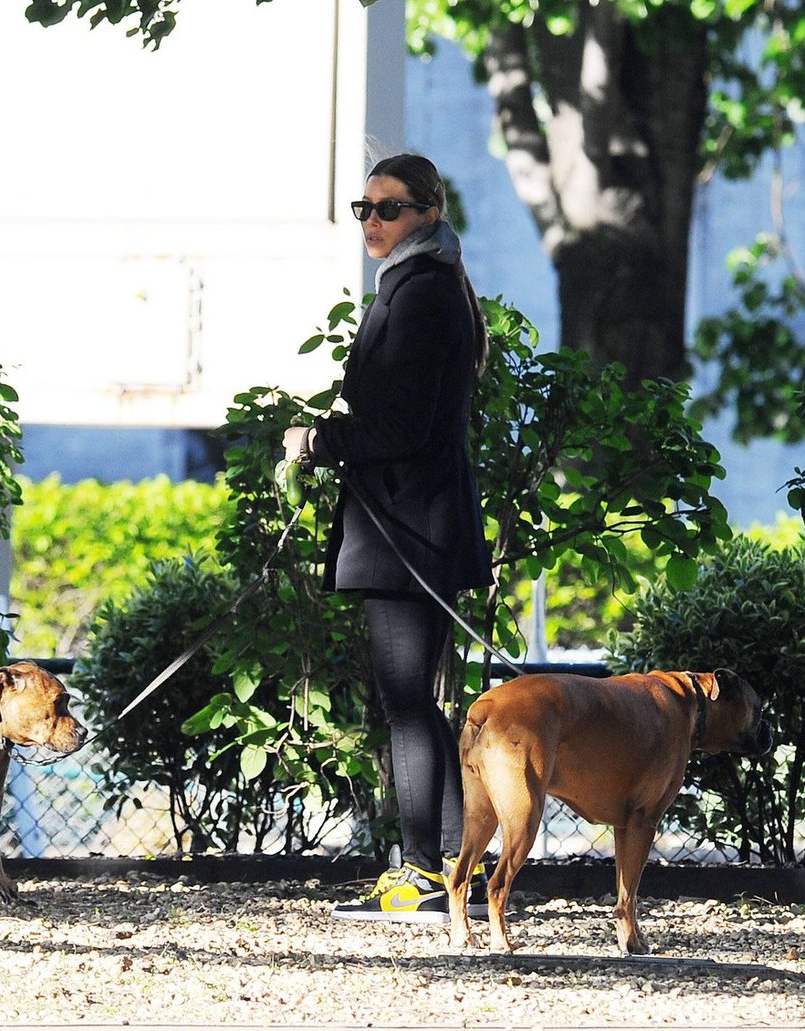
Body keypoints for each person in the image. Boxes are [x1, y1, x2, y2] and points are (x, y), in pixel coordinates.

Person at [282, 153, 492, 923]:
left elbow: (403, 425)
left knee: (406, 706)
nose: (372, 221)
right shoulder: (420, 285)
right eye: (363, 207)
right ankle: (441, 876)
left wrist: (317, 442)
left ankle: (420, 877)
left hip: (408, 528)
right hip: (412, 525)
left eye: (388, 208)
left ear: (427, 213)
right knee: (417, 705)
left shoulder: (423, 293)